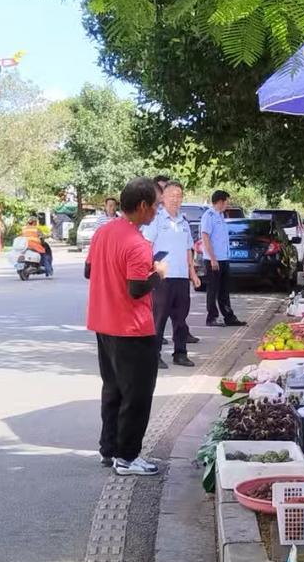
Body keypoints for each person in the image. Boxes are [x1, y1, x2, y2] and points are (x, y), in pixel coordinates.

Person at [84, 179, 165, 475]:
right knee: (137, 395)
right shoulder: (137, 243)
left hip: (103, 324)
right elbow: (136, 289)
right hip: (132, 329)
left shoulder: (103, 232)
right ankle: (128, 457)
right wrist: (158, 273)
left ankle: (109, 449)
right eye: (155, 205)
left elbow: (88, 270)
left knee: (113, 389)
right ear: (142, 206)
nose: (157, 210)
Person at [141, 179, 204, 368]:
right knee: (158, 318)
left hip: (181, 277)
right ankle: (154, 355)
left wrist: (192, 273)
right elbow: (146, 246)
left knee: (181, 318)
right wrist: (148, 270)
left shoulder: (183, 222)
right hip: (161, 277)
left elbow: (188, 249)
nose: (175, 199)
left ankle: (180, 353)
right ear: (163, 198)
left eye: (179, 196)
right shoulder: (156, 220)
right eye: (171, 195)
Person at [199, 189, 244, 327]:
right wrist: (212, 258)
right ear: (219, 201)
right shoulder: (209, 216)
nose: (227, 205)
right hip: (214, 259)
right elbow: (205, 237)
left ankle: (229, 316)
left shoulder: (221, 216)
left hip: (224, 258)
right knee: (213, 290)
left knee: (224, 290)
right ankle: (212, 317)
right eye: (226, 202)